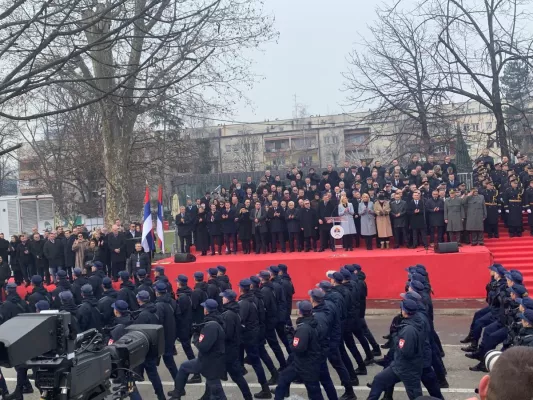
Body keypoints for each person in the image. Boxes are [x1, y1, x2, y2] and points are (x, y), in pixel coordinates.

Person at [367, 299, 424, 400]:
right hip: (399, 366)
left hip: (408, 369)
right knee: (379, 380)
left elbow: (406, 352)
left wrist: (396, 340)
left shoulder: (408, 330)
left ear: (405, 311)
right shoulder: (414, 321)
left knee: (416, 397)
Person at [170, 299, 227, 400]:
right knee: (184, 367)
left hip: (209, 363)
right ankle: (177, 394)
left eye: (205, 307)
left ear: (207, 310)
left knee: (217, 393)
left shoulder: (211, 325)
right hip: (208, 360)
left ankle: (177, 394)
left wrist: (196, 335)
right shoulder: (217, 320)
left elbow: (203, 347)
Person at [274, 300, 324, 400]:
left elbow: (297, 348)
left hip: (304, 364)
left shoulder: (303, 328)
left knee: (314, 392)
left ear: (300, 312)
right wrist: (294, 334)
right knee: (283, 378)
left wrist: (289, 337)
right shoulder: (314, 323)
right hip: (309, 362)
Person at [134, 290, 167, 400]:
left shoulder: (142, 315)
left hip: (145, 349)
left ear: (139, 300)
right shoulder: (155, 310)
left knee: (130, 378)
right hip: (154, 346)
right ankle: (161, 395)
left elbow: (137, 332)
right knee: (153, 374)